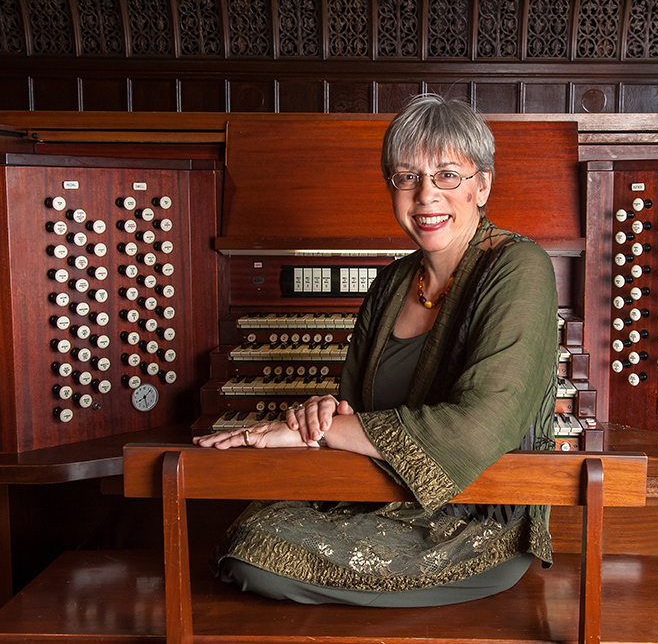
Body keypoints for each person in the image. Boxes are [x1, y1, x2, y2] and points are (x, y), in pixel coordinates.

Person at [194, 94, 559, 607]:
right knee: (245, 531)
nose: (426, 196)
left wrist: (322, 431)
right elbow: (352, 411)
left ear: (484, 185)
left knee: (255, 553)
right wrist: (320, 418)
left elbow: (479, 427)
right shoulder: (390, 283)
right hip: (378, 494)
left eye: (448, 175)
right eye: (408, 177)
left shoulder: (520, 268)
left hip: (475, 519)